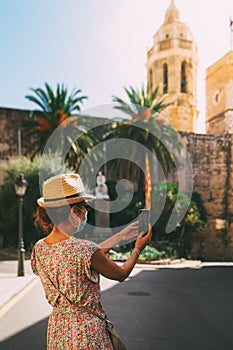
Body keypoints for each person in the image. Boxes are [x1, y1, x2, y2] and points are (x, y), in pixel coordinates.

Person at [31, 173, 152, 349]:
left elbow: (77, 258)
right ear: (74, 211)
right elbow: (120, 274)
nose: (86, 213)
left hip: (58, 331)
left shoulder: (39, 248)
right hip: (87, 332)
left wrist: (119, 236)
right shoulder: (84, 249)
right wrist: (138, 248)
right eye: (84, 208)